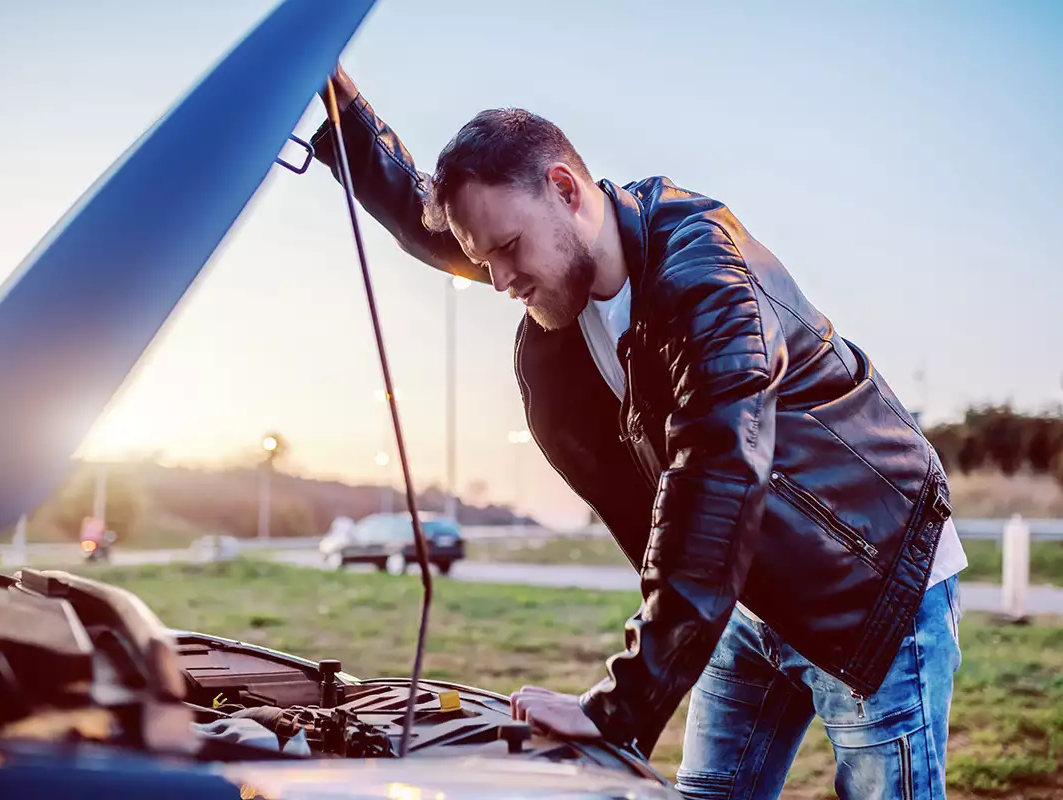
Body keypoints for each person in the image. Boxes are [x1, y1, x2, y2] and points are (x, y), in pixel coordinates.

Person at [310, 67, 967, 800]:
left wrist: (616, 707)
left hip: (867, 582)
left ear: (565, 189)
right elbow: (427, 216)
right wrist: (345, 116)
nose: (496, 281)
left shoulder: (709, 286)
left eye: (507, 250)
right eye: (483, 256)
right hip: (739, 593)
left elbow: (714, 489)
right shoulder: (556, 254)